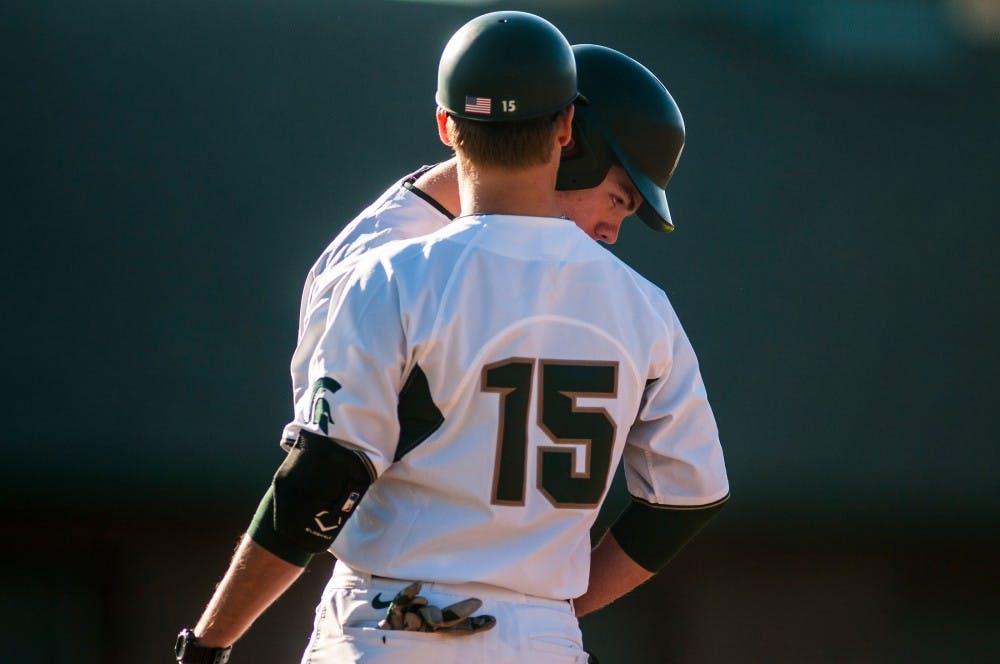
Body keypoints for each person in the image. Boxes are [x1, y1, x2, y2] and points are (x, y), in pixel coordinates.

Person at [176, 11, 729, 664]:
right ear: (566, 132)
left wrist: (209, 643)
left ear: (446, 125)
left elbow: (321, 480)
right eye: (619, 200)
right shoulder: (646, 307)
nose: (614, 227)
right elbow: (687, 500)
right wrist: (536, 610)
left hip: (393, 629)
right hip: (541, 641)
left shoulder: (387, 269)